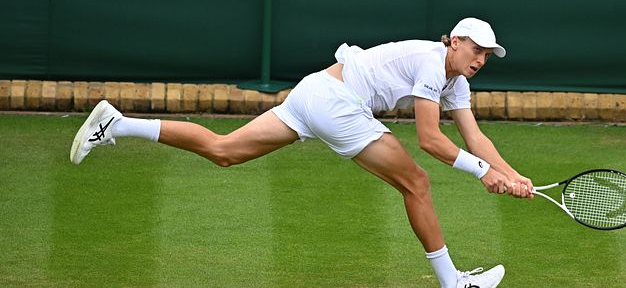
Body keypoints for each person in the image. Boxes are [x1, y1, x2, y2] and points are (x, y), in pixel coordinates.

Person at [70, 17, 534, 288]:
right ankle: (453, 284)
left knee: (224, 149)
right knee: (416, 181)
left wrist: (512, 175)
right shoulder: (432, 64)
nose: (480, 60)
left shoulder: (455, 79)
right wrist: (481, 173)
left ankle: (117, 123)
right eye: (476, 49)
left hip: (315, 92)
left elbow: (477, 138)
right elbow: (431, 140)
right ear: (453, 41)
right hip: (338, 103)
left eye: (487, 56)